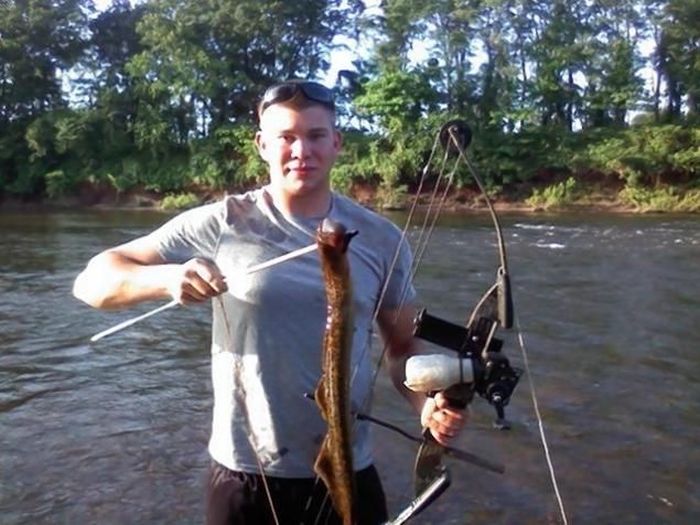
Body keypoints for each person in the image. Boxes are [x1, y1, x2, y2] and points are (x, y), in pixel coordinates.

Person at [72, 80, 467, 525]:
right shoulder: (223, 223)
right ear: (262, 145)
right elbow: (92, 283)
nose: (302, 151)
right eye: (287, 137)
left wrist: (426, 405)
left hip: (348, 467)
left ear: (336, 143)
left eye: (316, 136)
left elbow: (402, 349)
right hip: (244, 474)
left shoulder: (380, 238)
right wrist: (167, 278)